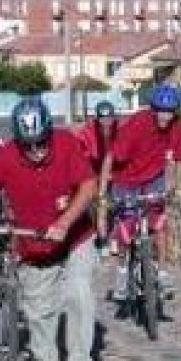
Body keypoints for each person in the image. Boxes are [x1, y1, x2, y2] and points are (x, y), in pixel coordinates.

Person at [0, 98, 100, 361]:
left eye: (41, 143)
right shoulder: (6, 156)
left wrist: (65, 222)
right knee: (39, 311)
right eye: (28, 145)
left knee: (78, 296)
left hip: (74, 237)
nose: (36, 151)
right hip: (33, 244)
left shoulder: (66, 144)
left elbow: (88, 187)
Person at [98, 83, 181, 300]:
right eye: (161, 110)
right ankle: (121, 272)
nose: (165, 116)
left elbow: (180, 159)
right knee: (126, 228)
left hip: (153, 179)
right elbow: (110, 158)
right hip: (126, 180)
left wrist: (178, 187)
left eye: (170, 111)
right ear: (153, 108)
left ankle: (163, 272)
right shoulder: (137, 125)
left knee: (159, 224)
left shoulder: (178, 128)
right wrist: (103, 196)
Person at [78, 100, 122, 249]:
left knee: (121, 206)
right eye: (102, 118)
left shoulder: (121, 130)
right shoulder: (87, 132)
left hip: (117, 172)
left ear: (114, 117)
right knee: (100, 206)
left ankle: (117, 237)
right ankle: (102, 240)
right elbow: (83, 156)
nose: (106, 122)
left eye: (109, 117)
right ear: (97, 119)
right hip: (95, 173)